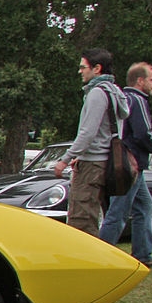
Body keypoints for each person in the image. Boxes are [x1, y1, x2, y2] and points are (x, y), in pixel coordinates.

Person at [54, 48, 128, 237]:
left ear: (97, 69)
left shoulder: (97, 93)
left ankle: (82, 262)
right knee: (91, 214)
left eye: (83, 67)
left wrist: (66, 158)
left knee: (81, 218)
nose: (80, 71)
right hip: (104, 161)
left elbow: (87, 133)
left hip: (92, 163)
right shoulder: (115, 91)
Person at [98, 62, 152, 266]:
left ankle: (143, 254)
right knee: (118, 212)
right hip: (131, 165)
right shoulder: (137, 99)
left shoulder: (124, 99)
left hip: (129, 164)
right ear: (140, 80)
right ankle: (100, 254)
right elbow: (143, 132)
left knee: (144, 206)